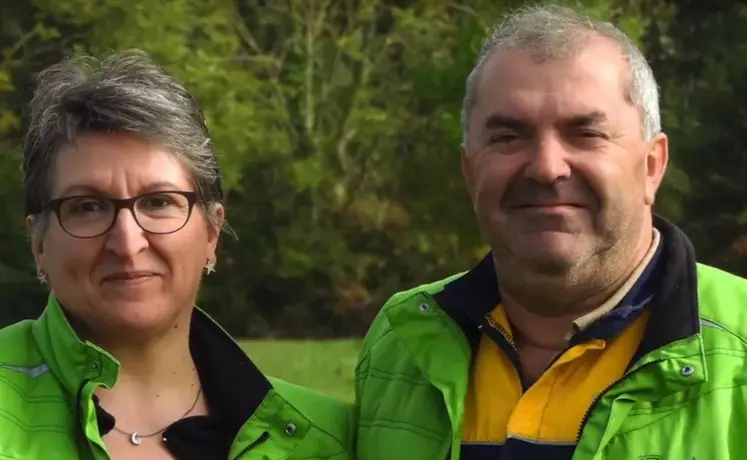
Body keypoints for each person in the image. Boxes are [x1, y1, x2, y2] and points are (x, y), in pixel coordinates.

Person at [354, 4, 747, 460]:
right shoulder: (400, 341)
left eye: (585, 133)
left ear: (652, 166)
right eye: (508, 136)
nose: (545, 167)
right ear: (469, 170)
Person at [0, 50, 353, 460]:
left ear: (211, 231)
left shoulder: (326, 439)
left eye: (159, 202)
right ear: (39, 243)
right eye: (87, 207)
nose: (128, 243)